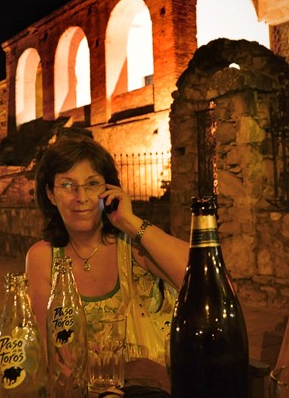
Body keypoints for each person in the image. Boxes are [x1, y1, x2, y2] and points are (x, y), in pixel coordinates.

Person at [25, 132, 189, 366]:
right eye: (67, 185)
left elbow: (208, 279)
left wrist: (130, 222)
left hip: (160, 391)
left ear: (109, 190)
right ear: (50, 194)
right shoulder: (43, 258)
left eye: (92, 184)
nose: (80, 197)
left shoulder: (134, 245)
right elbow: (50, 351)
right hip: (92, 397)